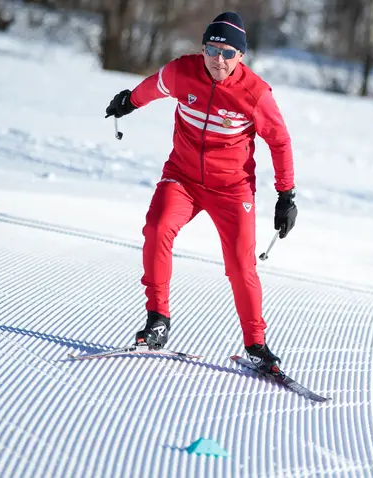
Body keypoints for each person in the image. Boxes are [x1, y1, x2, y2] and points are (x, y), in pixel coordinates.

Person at [104, 12, 297, 374]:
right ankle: (158, 319)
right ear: (203, 47)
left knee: (241, 265)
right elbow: (154, 86)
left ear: (241, 56)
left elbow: (280, 142)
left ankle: (256, 345)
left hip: (232, 189)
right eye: (212, 50)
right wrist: (129, 102)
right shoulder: (183, 72)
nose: (218, 60)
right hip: (183, 178)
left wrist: (286, 196)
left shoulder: (255, 93)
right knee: (157, 227)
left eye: (228, 53)